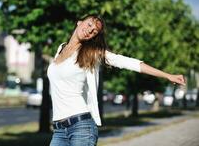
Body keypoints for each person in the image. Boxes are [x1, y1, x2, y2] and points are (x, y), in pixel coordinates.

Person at [47, 14, 185, 146]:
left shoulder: (91, 53)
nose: (89, 30)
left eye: (94, 31)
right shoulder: (61, 48)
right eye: (89, 24)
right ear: (79, 22)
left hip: (81, 127)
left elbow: (126, 62)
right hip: (59, 130)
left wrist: (167, 75)